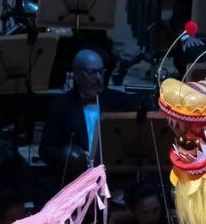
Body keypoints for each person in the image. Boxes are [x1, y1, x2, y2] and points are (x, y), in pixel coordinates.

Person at [38, 49, 135, 184]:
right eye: (92, 72)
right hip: (75, 180)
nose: (98, 78)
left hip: (113, 178)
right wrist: (74, 158)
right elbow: (46, 151)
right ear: (76, 74)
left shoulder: (120, 102)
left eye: (101, 72)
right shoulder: (60, 107)